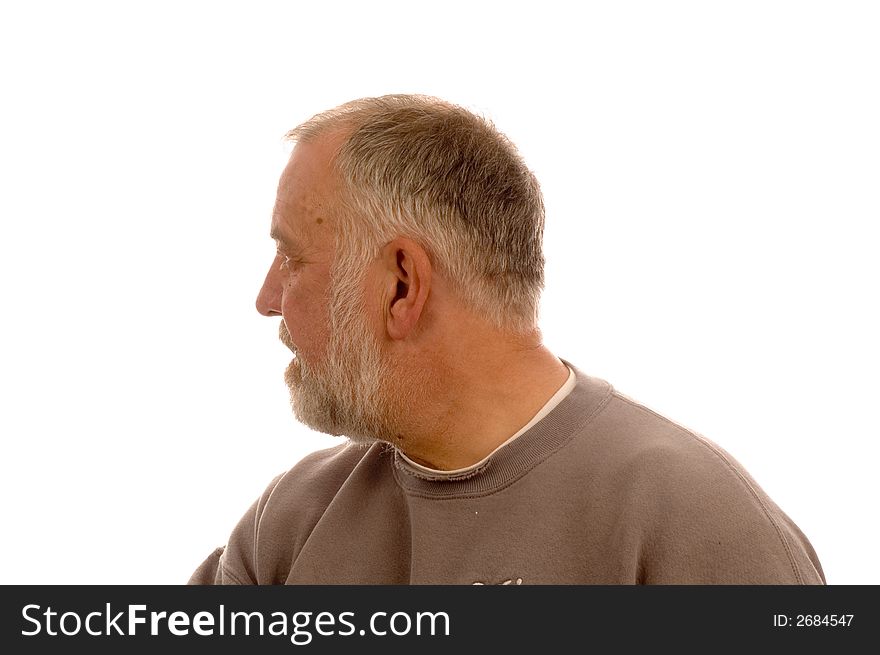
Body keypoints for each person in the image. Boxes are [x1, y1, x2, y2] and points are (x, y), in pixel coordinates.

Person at [189, 94, 825, 585]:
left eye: (292, 259)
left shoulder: (702, 531)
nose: (267, 299)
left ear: (402, 286)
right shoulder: (289, 524)